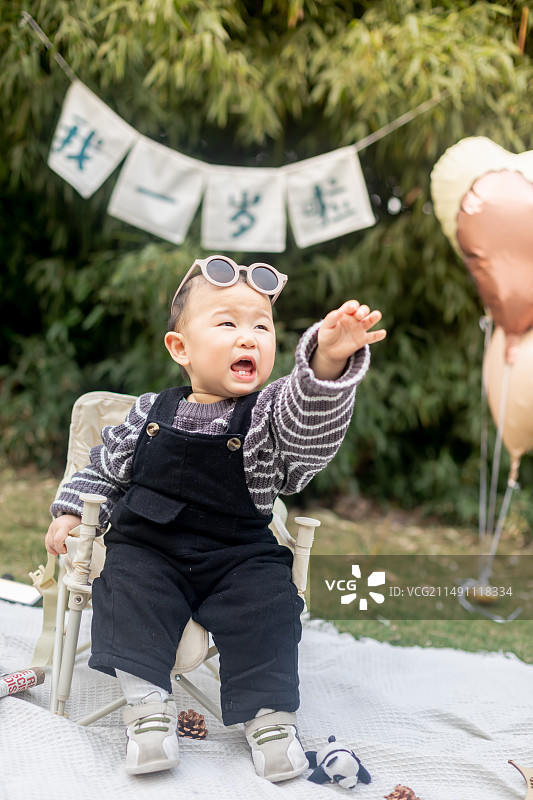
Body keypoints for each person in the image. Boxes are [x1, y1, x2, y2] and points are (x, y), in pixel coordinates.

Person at [45, 255, 386, 782]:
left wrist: (325, 365)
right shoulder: (148, 411)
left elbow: (307, 422)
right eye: (227, 323)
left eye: (261, 325)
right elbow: (105, 468)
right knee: (127, 586)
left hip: (238, 552)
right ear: (180, 347)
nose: (247, 338)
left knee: (269, 602)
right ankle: (147, 709)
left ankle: (270, 719)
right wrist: (71, 511)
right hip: (150, 545)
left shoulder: (269, 417)